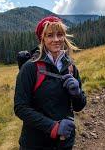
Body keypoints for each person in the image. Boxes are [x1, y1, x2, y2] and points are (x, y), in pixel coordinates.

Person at [14, 15, 87, 150]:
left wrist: (77, 94)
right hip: (35, 143)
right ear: (42, 39)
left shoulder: (70, 67)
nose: (56, 40)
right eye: (50, 35)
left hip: (64, 142)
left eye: (60, 35)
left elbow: (79, 106)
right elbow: (20, 108)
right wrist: (53, 127)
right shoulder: (30, 68)